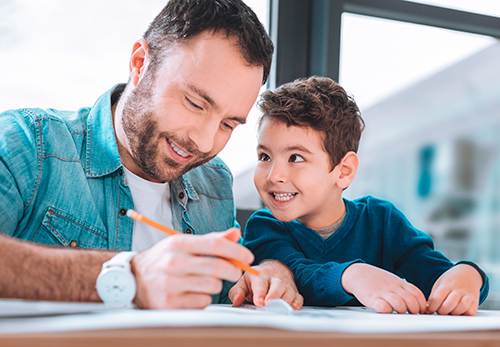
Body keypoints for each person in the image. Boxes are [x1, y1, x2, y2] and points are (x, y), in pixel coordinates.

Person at [0, 0, 303, 310]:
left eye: (228, 124)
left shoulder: (214, 181)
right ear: (140, 63)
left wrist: (268, 273)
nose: (203, 142)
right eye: (195, 104)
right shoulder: (27, 142)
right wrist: (126, 277)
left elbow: (233, 285)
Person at [243, 76, 489, 315]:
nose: (274, 176)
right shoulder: (264, 228)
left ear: (344, 171)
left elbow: (432, 271)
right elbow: (300, 274)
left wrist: (469, 275)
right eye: (265, 157)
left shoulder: (382, 221)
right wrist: (352, 275)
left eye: (295, 158)